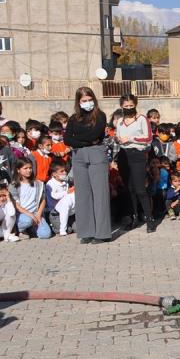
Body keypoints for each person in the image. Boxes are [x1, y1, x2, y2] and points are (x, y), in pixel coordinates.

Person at [64, 86, 111, 244]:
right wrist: (85, 141)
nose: (88, 103)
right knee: (82, 194)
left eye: (90, 100)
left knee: (100, 194)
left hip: (96, 153)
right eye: (84, 101)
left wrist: (81, 140)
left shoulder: (100, 116)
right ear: (79, 102)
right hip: (78, 156)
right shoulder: (73, 118)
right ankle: (86, 231)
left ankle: (102, 233)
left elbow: (95, 135)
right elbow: (67, 139)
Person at [114, 93, 155, 232]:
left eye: (131, 105)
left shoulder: (142, 119)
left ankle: (149, 219)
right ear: (121, 106)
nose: (129, 108)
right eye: (126, 106)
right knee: (129, 189)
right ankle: (134, 216)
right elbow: (118, 137)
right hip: (123, 155)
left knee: (140, 189)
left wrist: (131, 139)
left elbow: (148, 138)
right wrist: (118, 139)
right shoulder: (119, 121)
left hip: (137, 154)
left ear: (135, 105)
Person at [9, 160, 51, 239]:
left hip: (36, 213)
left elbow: (43, 200)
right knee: (27, 221)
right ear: (18, 170)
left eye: (30, 168)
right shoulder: (13, 185)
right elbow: (16, 205)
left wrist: (38, 215)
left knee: (45, 234)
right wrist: (30, 215)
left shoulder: (39, 183)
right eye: (25, 168)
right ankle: (21, 230)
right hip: (22, 214)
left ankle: (31, 229)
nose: (29, 170)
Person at [46, 162, 75, 236]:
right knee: (68, 230)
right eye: (61, 171)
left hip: (67, 212)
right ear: (54, 174)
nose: (65, 173)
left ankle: (68, 223)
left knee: (76, 228)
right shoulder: (50, 184)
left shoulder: (66, 183)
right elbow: (54, 196)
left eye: (65, 170)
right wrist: (67, 192)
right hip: (55, 213)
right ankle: (52, 227)